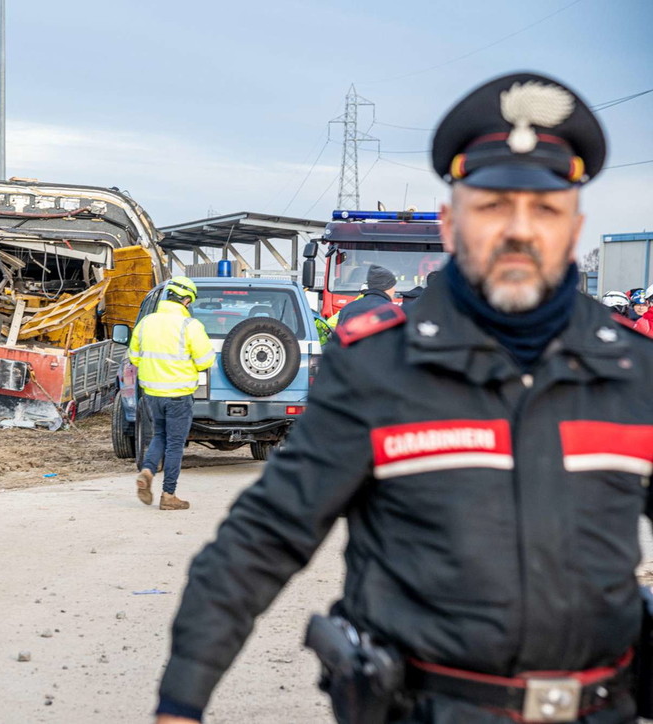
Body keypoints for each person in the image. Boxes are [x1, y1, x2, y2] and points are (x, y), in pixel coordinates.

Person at [156, 72, 652, 723]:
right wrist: (180, 702)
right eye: (493, 206)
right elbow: (263, 540)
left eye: (546, 208)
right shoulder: (378, 370)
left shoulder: (634, 372)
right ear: (451, 223)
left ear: (576, 227)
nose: (519, 230)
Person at [129, 276, 214, 511]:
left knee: (160, 435)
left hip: (152, 394)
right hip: (178, 394)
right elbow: (205, 360)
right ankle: (168, 495)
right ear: (186, 300)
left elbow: (134, 357)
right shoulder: (190, 326)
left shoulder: (146, 323)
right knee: (175, 444)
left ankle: (147, 470)